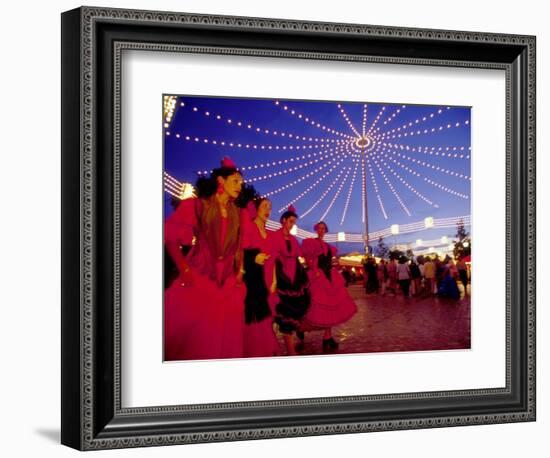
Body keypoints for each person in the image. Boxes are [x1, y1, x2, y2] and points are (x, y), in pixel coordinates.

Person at [164, 157, 247, 361]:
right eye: (235, 181)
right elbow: (171, 238)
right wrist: (184, 269)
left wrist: (240, 271)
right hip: (200, 280)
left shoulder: (239, 214)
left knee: (223, 343)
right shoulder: (198, 206)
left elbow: (239, 247)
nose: (239, 186)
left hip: (227, 285)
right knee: (195, 344)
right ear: (221, 181)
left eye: (241, 183)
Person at [300, 221, 357, 353]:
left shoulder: (328, 247)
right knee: (313, 308)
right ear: (316, 230)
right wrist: (315, 270)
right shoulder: (311, 242)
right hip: (318, 277)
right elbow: (307, 259)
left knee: (331, 308)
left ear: (326, 230)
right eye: (319, 228)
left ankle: (327, 337)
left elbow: (330, 262)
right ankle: (301, 328)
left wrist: (335, 264)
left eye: (324, 228)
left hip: (330, 277)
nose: (321, 230)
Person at [241, 197, 280, 357]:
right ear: (256, 209)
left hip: (269, 282)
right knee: (256, 323)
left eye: (270, 207)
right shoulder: (249, 228)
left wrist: (275, 280)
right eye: (264, 206)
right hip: (254, 283)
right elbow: (241, 254)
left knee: (267, 321)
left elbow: (274, 260)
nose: (268, 210)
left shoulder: (270, 235)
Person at [272, 206, 310, 356]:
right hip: (281, 278)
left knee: (292, 314)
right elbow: (273, 257)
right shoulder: (275, 236)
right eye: (291, 221)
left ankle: (290, 347)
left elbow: (298, 256)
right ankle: (289, 349)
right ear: (283, 221)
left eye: (294, 222)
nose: (292, 225)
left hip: (295, 278)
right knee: (283, 314)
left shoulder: (294, 240)